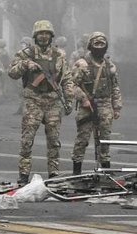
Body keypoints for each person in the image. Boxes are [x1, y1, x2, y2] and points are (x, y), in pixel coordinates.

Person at [7, 20, 74, 184]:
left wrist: (69, 99)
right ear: (35, 36)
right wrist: (25, 64)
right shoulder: (26, 54)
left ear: (51, 36)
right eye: (40, 33)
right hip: (33, 100)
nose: (43, 36)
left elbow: (67, 79)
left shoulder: (59, 56)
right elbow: (12, 72)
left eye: (47, 34)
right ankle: (23, 175)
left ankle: (54, 174)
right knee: (27, 140)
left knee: (54, 141)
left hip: (53, 101)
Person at [70, 32, 123, 174]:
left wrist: (116, 106)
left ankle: (106, 172)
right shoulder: (82, 64)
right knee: (82, 139)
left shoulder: (109, 65)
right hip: (87, 106)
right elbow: (71, 85)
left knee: (105, 140)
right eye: (96, 44)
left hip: (105, 105)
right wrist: (84, 99)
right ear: (90, 45)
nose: (99, 47)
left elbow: (115, 87)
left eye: (102, 44)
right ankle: (77, 172)